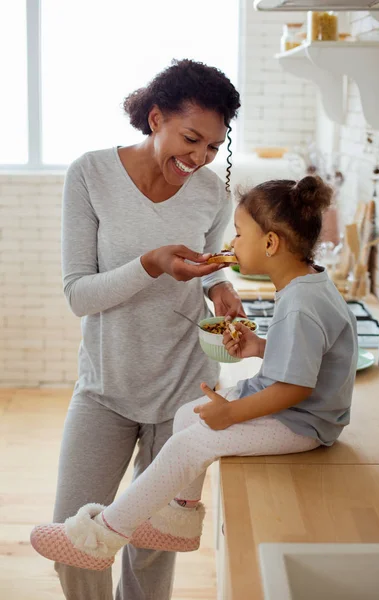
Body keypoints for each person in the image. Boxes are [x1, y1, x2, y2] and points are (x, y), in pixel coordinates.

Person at [31, 175, 359, 573]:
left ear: (271, 244)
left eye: (238, 235)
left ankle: (102, 537)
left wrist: (234, 414)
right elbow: (309, 356)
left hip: (304, 423)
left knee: (190, 444)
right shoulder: (307, 286)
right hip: (298, 409)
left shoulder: (300, 303)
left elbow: (294, 387)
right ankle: (178, 521)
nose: (231, 245)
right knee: (190, 416)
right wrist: (259, 347)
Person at [40, 58, 245, 600]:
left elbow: (208, 268)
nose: (199, 158)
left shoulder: (213, 194)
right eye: (191, 138)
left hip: (183, 388)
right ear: (156, 118)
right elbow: (78, 294)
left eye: (211, 147)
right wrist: (149, 264)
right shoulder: (90, 174)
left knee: (153, 545)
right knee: (75, 539)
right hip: (107, 385)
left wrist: (222, 289)